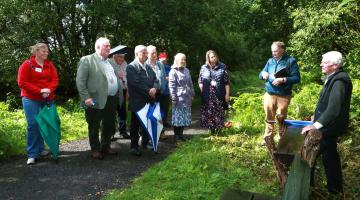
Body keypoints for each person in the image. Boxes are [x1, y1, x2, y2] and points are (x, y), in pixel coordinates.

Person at [302, 51, 352, 195]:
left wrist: (315, 126)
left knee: (309, 154)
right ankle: (335, 189)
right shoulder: (333, 77)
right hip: (327, 125)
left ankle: (307, 187)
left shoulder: (339, 81)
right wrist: (315, 115)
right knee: (330, 156)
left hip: (329, 128)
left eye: (324, 62)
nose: (321, 64)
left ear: (335, 65)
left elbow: (334, 109)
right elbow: (325, 102)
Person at [76, 37, 123, 160]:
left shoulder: (111, 62)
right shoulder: (87, 60)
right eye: (106, 46)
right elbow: (80, 81)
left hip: (111, 98)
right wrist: (85, 97)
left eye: (109, 46)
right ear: (97, 47)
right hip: (94, 99)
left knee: (109, 124)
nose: (109, 48)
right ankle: (95, 149)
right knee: (94, 125)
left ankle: (105, 146)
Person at [17, 43, 59, 165]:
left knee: (45, 124)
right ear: (36, 52)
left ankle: (41, 149)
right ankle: (31, 154)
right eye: (43, 51)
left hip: (47, 98)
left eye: (47, 51)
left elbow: (55, 80)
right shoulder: (27, 64)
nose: (46, 53)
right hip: (30, 99)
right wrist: (40, 91)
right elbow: (22, 82)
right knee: (33, 125)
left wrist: (49, 90)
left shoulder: (49, 65)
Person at [259, 41, 300, 144]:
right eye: (272, 51)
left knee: (281, 117)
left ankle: (281, 137)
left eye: (276, 51)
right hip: (269, 94)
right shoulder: (270, 61)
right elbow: (261, 74)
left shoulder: (290, 61)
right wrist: (263, 74)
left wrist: (283, 79)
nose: (273, 53)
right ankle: (268, 137)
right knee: (269, 116)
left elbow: (297, 78)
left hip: (283, 95)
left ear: (282, 50)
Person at [126, 45, 159, 156]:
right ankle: (134, 147)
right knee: (135, 125)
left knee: (148, 122)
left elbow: (156, 79)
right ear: (136, 54)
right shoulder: (131, 67)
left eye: (146, 52)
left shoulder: (148, 66)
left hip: (149, 100)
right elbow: (135, 84)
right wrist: (149, 91)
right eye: (143, 53)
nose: (146, 55)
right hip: (137, 101)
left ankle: (145, 142)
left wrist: (155, 88)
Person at [198, 50, 230, 134]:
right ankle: (212, 131)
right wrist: (203, 91)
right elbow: (200, 81)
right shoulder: (204, 67)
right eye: (212, 57)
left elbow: (227, 82)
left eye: (215, 56)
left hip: (219, 93)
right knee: (210, 113)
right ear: (208, 58)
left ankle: (219, 131)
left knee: (219, 112)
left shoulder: (222, 66)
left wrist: (227, 94)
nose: (214, 58)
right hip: (208, 95)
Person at [168, 53, 195, 142]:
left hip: (187, 97)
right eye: (181, 59)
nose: (183, 61)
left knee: (184, 117)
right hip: (178, 98)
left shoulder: (186, 70)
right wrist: (173, 98)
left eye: (184, 59)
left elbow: (190, 83)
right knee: (177, 117)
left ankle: (181, 135)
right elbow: (172, 86)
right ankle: (176, 136)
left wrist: (192, 94)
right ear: (176, 60)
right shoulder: (173, 71)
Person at [146, 46, 168, 140]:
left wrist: (162, 87)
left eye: (155, 52)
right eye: (152, 53)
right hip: (149, 94)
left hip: (160, 93)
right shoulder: (145, 64)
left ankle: (160, 132)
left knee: (160, 113)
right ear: (147, 54)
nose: (154, 55)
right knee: (150, 114)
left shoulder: (160, 64)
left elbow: (163, 77)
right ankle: (146, 134)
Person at [110, 52, 131, 140]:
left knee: (122, 111)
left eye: (123, 57)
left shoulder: (125, 64)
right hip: (112, 90)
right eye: (120, 57)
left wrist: (127, 91)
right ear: (114, 56)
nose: (122, 59)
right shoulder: (109, 63)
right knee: (111, 112)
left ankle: (123, 131)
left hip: (123, 89)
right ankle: (110, 133)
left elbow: (127, 78)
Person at [158, 52, 171, 129]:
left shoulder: (168, 67)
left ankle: (165, 121)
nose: (164, 61)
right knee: (160, 108)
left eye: (165, 60)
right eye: (162, 60)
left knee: (166, 107)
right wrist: (165, 78)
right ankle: (160, 123)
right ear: (159, 59)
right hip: (160, 91)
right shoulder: (158, 66)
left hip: (167, 91)